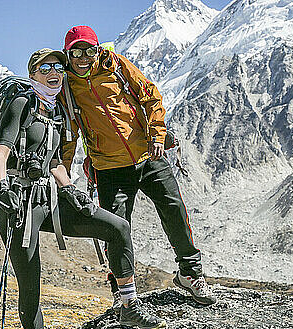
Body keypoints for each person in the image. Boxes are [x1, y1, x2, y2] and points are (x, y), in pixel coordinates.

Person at [0, 48, 166, 329]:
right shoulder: (22, 105)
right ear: (33, 74)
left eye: (59, 66)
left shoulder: (57, 110)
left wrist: (70, 188)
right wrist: (2, 189)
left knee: (116, 227)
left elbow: (55, 161)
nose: (55, 71)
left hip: (51, 197)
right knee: (30, 283)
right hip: (19, 204)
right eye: (46, 68)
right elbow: (2, 152)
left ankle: (128, 303)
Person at [59, 26, 216, 306]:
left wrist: (157, 135)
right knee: (115, 229)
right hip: (108, 169)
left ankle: (190, 275)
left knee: (175, 211)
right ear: (67, 53)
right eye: (76, 52)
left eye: (89, 50)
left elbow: (151, 96)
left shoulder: (116, 65)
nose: (83, 57)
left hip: (148, 156)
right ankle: (121, 291)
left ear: (98, 49)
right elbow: (70, 131)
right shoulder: (67, 87)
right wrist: (65, 176)